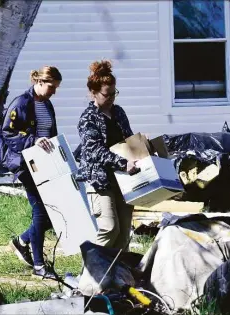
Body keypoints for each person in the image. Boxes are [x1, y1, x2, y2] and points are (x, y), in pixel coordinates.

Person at [0, 65, 62, 279]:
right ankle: (39, 266)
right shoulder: (22, 102)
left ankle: (22, 241)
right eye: (52, 86)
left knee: (53, 212)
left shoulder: (48, 105)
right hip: (26, 164)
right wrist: (33, 141)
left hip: (45, 164)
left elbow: (50, 134)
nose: (54, 92)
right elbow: (8, 132)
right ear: (40, 82)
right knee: (41, 212)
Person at [77, 60, 139, 250]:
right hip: (100, 181)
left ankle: (118, 276)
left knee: (123, 235)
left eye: (114, 93)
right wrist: (122, 163)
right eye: (107, 94)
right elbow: (94, 150)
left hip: (123, 180)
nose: (111, 98)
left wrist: (142, 146)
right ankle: (89, 273)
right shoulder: (88, 118)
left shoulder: (119, 112)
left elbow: (128, 140)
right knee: (110, 228)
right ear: (93, 92)